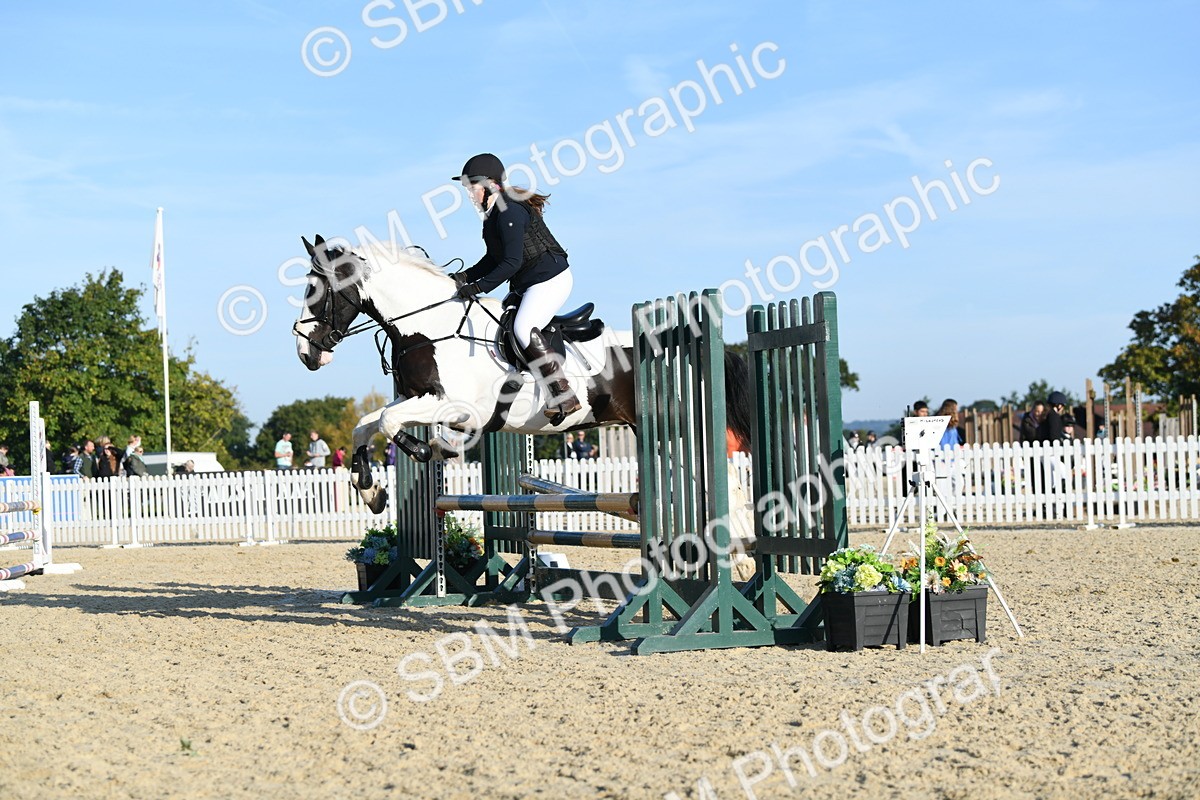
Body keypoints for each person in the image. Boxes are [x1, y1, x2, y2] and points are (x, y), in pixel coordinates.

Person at [450, 153, 581, 419]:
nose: (470, 194)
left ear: (490, 185)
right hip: (529, 282)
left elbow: (511, 262)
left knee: (523, 327)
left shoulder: (509, 212)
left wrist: (478, 288)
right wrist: (464, 277)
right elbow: (493, 259)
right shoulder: (493, 215)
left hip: (551, 279)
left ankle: (563, 393)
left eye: (472, 187)